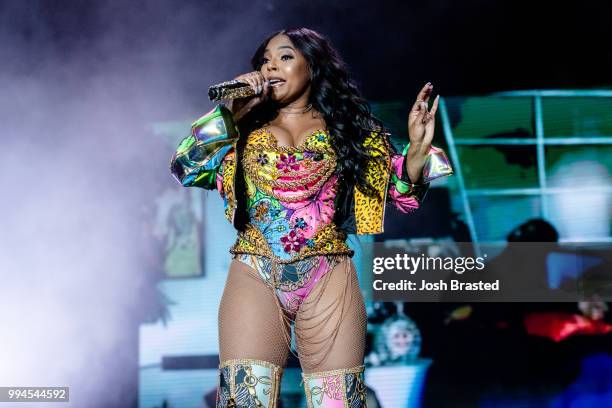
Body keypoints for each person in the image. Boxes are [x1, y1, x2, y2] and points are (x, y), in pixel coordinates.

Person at [170, 27, 451, 408]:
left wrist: (418, 148)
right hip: (255, 270)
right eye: (265, 60)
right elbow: (185, 167)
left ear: (312, 67)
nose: (271, 66)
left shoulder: (352, 131)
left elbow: (403, 190)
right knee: (243, 401)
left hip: (328, 274)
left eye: (284, 57)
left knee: (337, 402)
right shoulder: (241, 128)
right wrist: (228, 112)